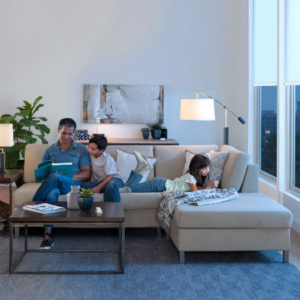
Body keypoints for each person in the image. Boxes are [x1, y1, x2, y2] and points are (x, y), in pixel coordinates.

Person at [32, 118, 91, 249]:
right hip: (55, 186)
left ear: (74, 133)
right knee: (52, 193)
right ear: (58, 130)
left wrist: (67, 176)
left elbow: (87, 173)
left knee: (55, 176)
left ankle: (33, 205)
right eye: (64, 133)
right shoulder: (49, 151)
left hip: (74, 185)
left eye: (70, 134)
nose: (66, 137)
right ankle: (47, 236)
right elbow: (43, 176)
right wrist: (53, 176)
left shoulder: (81, 149)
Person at [121, 152, 219, 193]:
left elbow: (197, 189)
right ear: (196, 169)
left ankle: (140, 166)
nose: (207, 171)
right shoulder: (190, 178)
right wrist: (209, 186)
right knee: (128, 190)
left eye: (207, 168)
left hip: (160, 183)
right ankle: (143, 168)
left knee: (125, 190)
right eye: (204, 169)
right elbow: (195, 193)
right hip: (159, 185)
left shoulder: (192, 178)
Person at [83, 136, 125, 202]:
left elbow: (110, 176)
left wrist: (98, 188)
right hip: (101, 182)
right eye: (89, 147)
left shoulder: (107, 159)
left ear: (101, 150)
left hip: (114, 179)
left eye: (93, 149)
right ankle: (112, 191)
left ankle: (113, 209)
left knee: (111, 185)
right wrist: (88, 181)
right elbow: (90, 169)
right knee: (86, 186)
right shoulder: (91, 155)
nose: (89, 150)